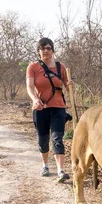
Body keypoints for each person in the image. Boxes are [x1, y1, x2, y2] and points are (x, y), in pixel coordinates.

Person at [26, 37, 73, 183]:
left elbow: (66, 85)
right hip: (41, 108)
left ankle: (60, 170)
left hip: (58, 108)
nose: (46, 51)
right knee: (43, 140)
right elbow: (30, 87)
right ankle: (45, 165)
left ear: (52, 50)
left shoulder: (61, 67)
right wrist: (35, 100)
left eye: (49, 48)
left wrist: (70, 84)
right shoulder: (33, 67)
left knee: (58, 138)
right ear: (38, 51)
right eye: (43, 48)